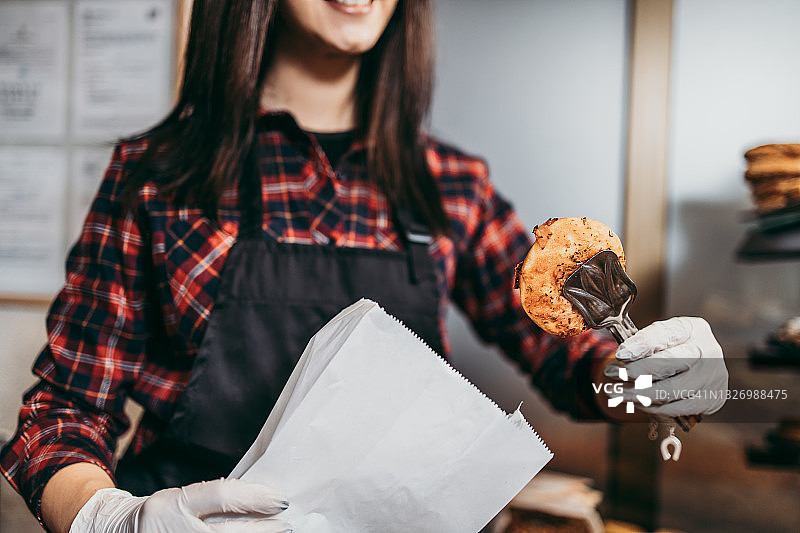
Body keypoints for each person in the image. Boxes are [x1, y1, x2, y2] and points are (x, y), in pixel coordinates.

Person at [0, 1, 728, 532]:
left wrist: (647, 377)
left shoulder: (450, 184)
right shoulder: (158, 177)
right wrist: (107, 520)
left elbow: (569, 356)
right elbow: (59, 415)